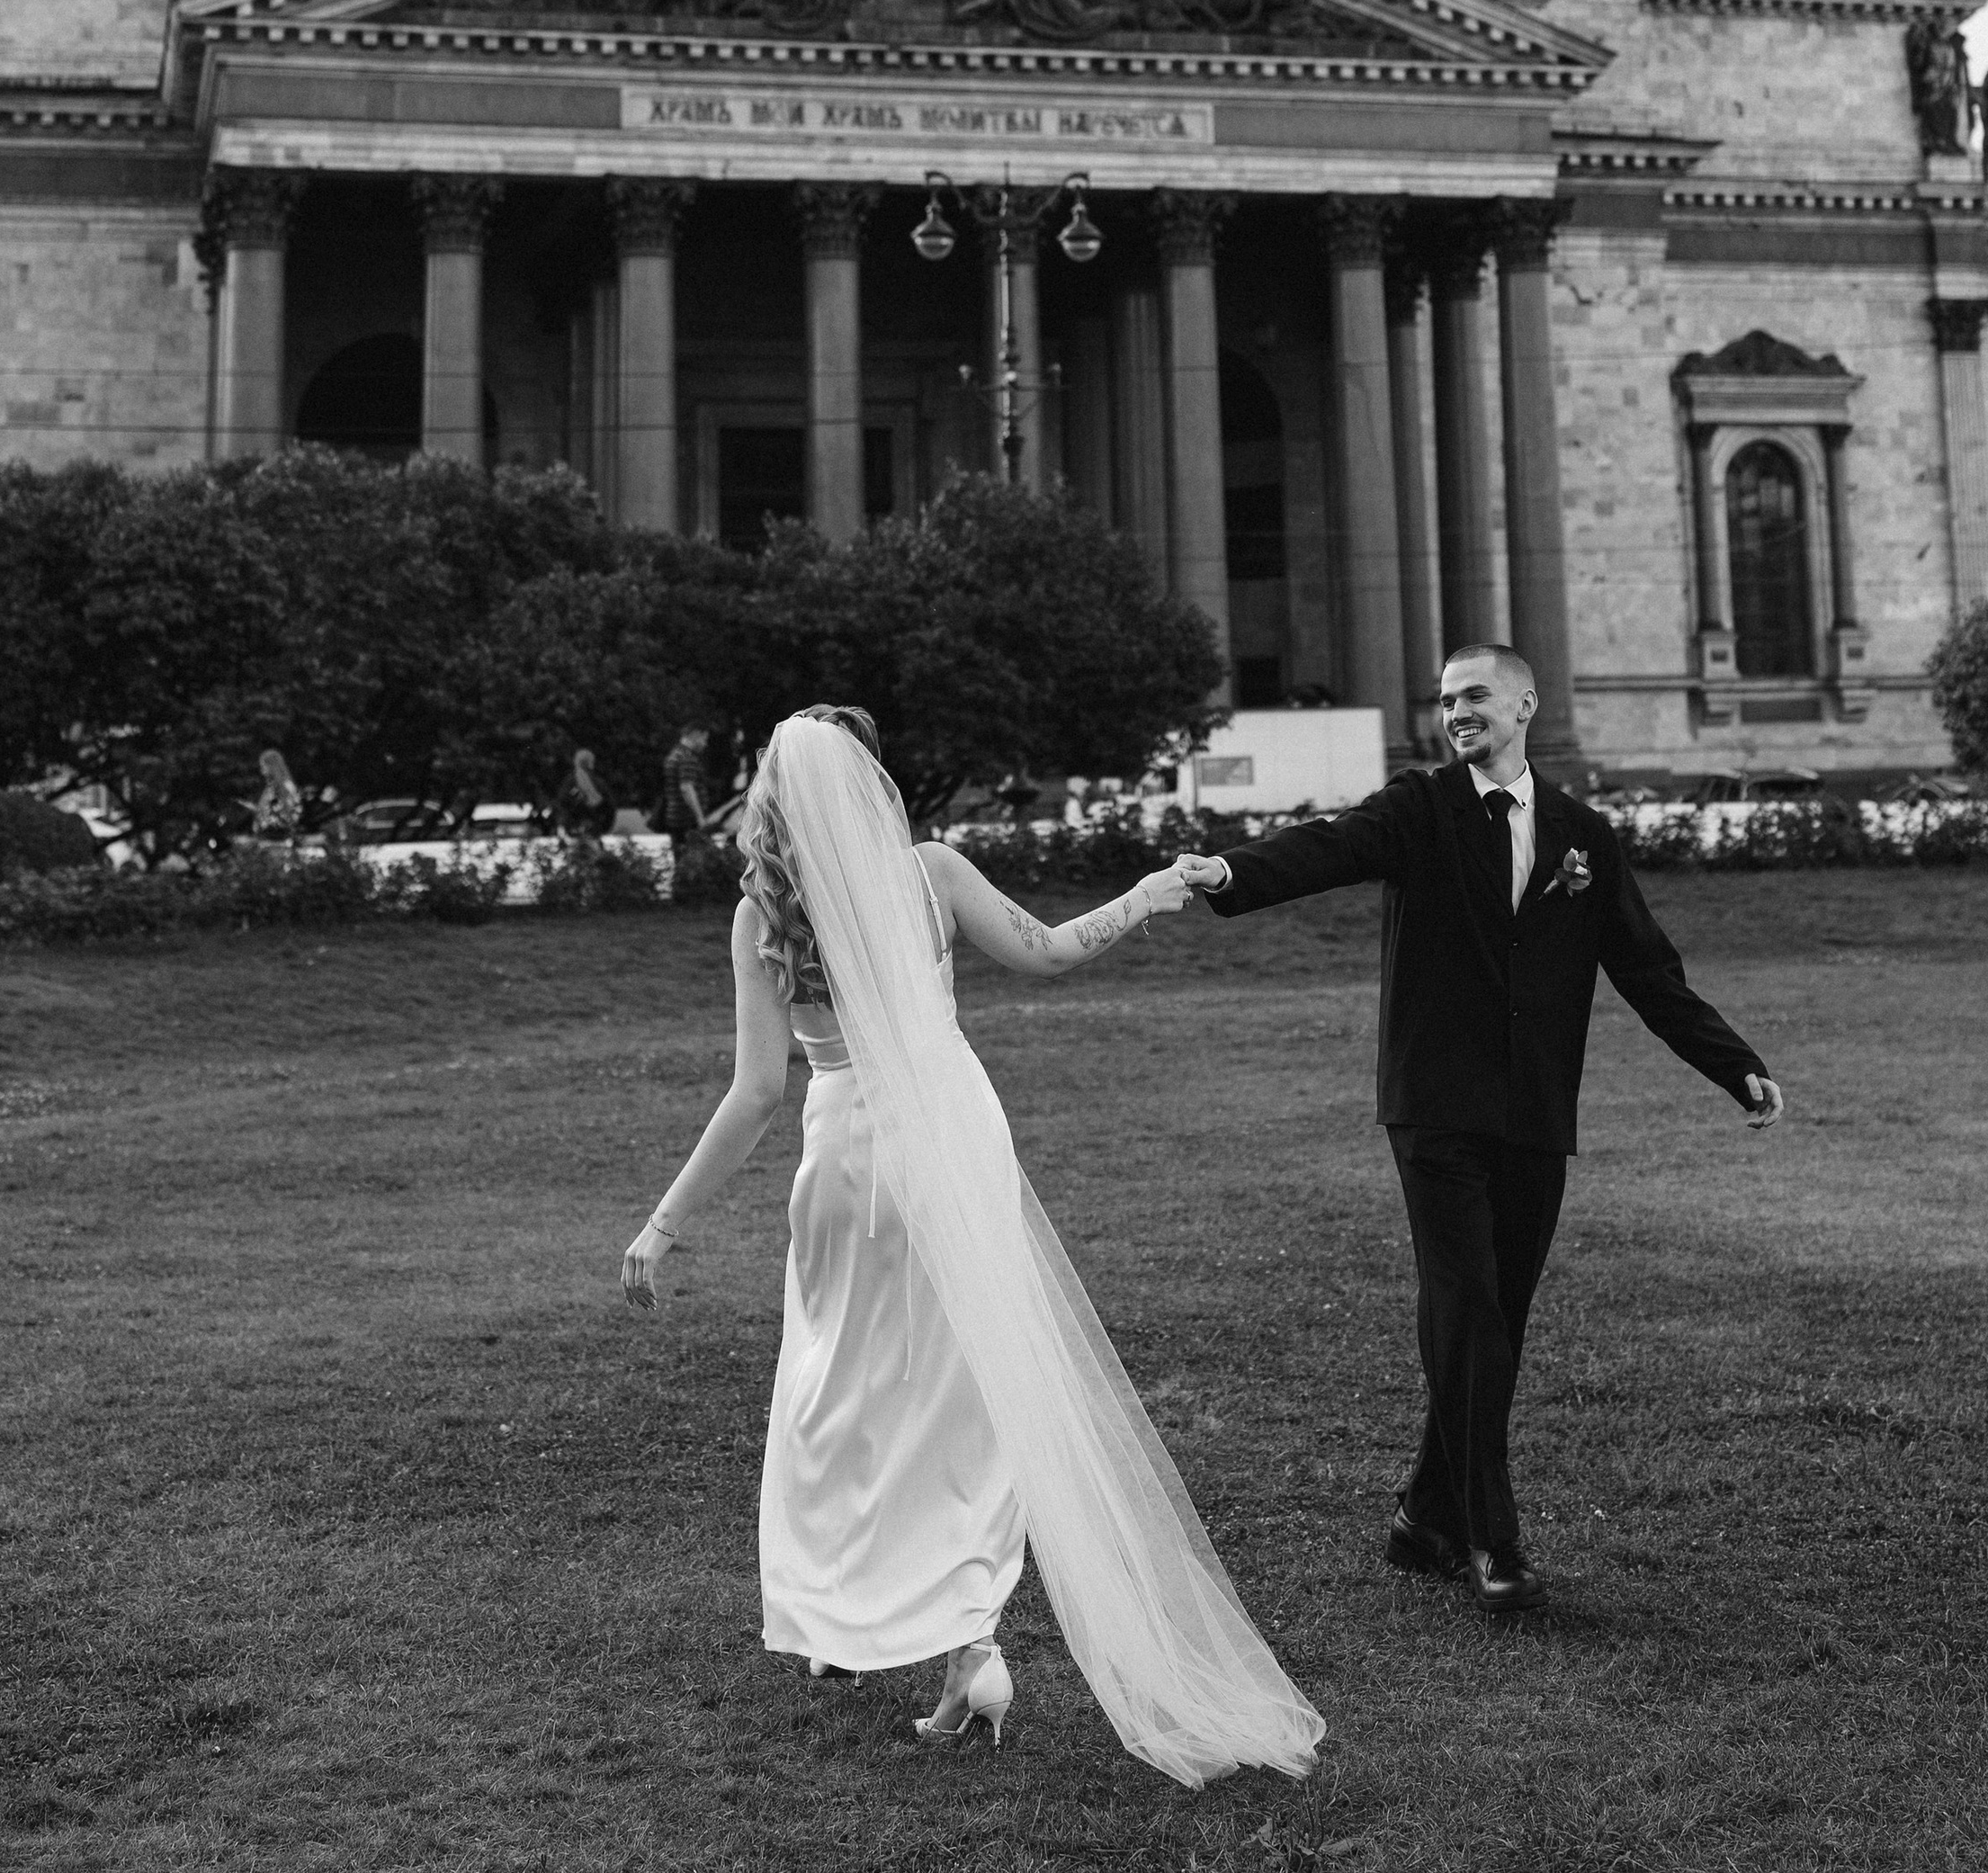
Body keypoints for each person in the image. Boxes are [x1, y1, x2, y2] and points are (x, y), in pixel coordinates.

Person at [620, 706, 1323, 1788]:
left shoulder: (762, 911)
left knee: (837, 1389)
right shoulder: (932, 871)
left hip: (853, 1152)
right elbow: (1045, 954)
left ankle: (847, 1619)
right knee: (968, 1388)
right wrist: (1145, 894)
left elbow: (759, 1092)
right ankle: (963, 1646)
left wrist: (664, 1223)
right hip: (953, 1127)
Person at [1174, 644, 1783, 1615]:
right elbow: (1327, 845)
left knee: (1496, 1319)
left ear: (1525, 704)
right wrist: (1228, 872)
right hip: (1434, 1106)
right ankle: (1491, 1542)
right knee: (1466, 1312)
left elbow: (1647, 970)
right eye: (1446, 699)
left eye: (1474, 697)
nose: (1456, 711)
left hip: (1535, 1110)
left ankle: (1424, 1517)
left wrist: (1733, 1063)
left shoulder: (1583, 833)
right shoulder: (1420, 808)